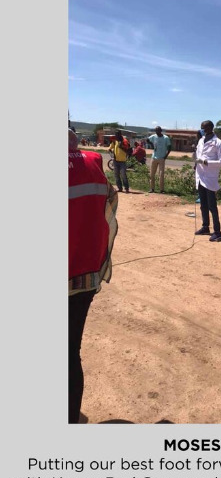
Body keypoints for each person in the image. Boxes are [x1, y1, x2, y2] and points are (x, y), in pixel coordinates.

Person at [69, 128, 118, 423]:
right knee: (69, 354)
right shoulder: (93, 163)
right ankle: (71, 420)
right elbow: (110, 213)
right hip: (85, 276)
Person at [194, 120, 221, 242]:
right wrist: (196, 163)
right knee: (203, 205)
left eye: (204, 128)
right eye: (201, 128)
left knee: (212, 206)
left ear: (211, 128)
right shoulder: (201, 140)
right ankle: (205, 226)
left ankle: (217, 232)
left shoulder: (218, 143)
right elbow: (198, 155)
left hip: (210, 177)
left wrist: (206, 162)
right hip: (200, 176)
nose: (202, 130)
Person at [146, 126, 171, 193]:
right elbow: (147, 140)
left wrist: (165, 156)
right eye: (156, 131)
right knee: (152, 174)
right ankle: (152, 188)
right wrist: (151, 144)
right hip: (154, 157)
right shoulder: (153, 136)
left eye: (158, 130)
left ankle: (161, 189)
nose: (157, 132)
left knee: (161, 174)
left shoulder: (166, 138)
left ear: (161, 130)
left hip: (161, 158)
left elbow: (169, 147)